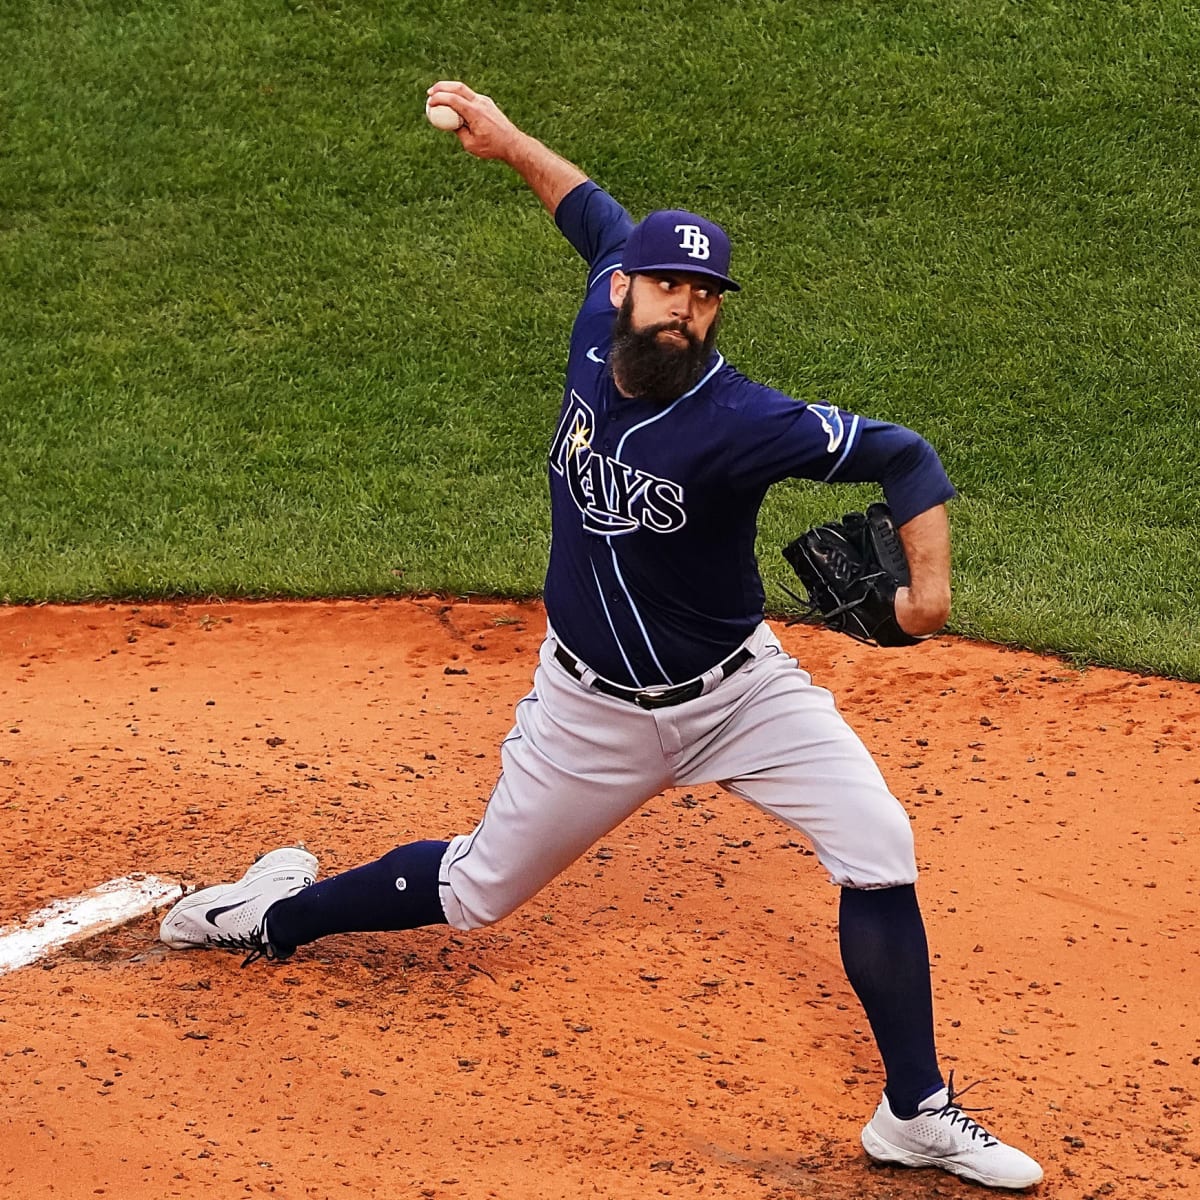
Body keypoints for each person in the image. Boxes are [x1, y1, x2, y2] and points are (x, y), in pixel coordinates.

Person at [160, 81, 1044, 1191]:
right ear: (625, 289)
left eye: (705, 295)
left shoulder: (743, 421)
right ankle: (272, 915)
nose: (684, 306)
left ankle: (913, 1111)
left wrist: (927, 600)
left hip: (740, 697)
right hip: (590, 709)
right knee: (476, 893)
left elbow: (904, 454)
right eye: (667, 284)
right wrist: (505, 138)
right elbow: (586, 208)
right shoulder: (598, 314)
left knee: (880, 845)